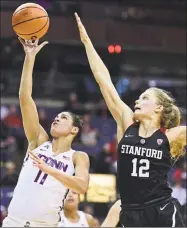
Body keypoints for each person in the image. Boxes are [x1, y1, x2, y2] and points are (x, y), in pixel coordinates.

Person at [75, 13, 186, 227]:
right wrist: (87, 42)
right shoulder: (127, 124)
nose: (137, 100)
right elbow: (104, 82)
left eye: (145, 98)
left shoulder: (171, 135)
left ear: (158, 108)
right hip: (130, 212)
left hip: (160, 209)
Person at [2, 38, 90, 227]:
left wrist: (48, 168)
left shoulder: (78, 157)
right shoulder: (39, 141)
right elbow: (25, 98)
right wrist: (30, 58)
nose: (56, 118)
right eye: (56, 116)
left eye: (63, 117)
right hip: (13, 222)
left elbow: (82, 186)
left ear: (74, 129)